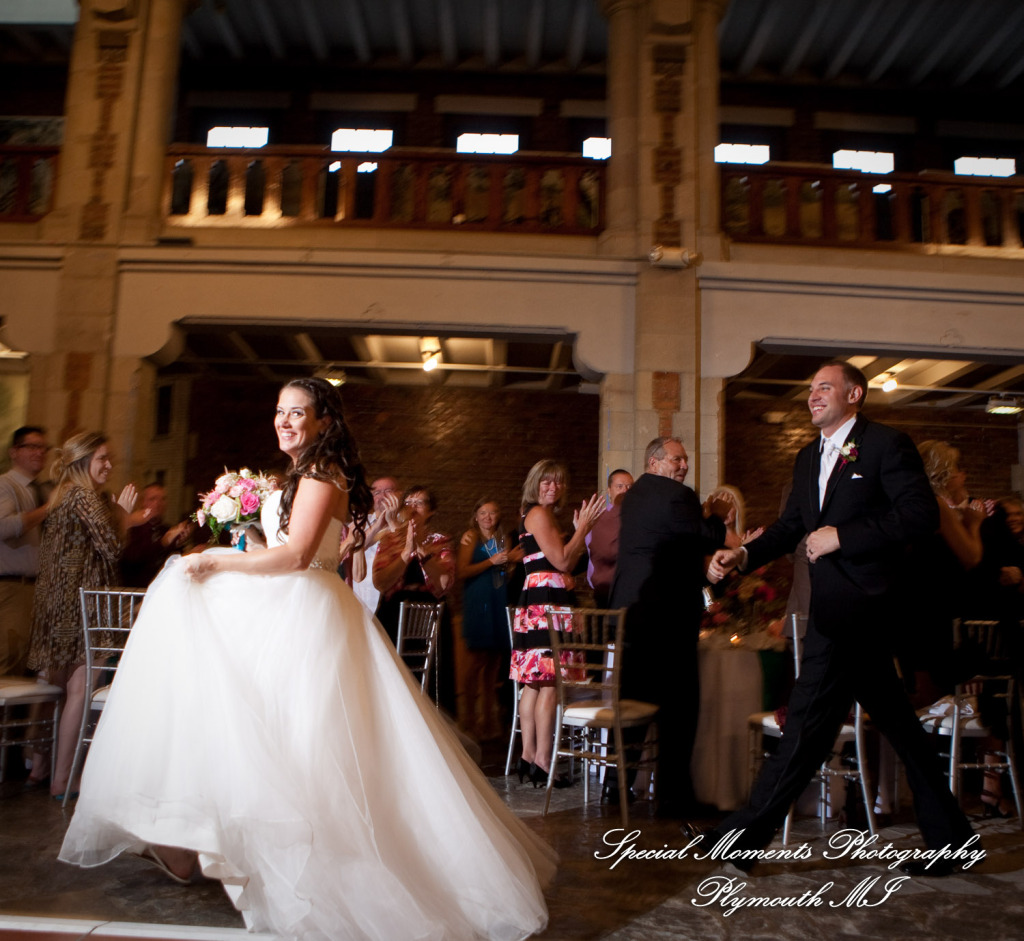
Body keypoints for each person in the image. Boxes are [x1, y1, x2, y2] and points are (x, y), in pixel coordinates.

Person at [59, 377, 555, 939]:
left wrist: (216, 562)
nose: (285, 421)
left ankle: (276, 856)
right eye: (280, 411)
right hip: (286, 605)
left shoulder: (322, 474)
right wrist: (241, 546)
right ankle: (193, 837)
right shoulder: (301, 474)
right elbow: (280, 550)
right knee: (249, 724)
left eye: (298, 413)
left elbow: (297, 555)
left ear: (323, 422)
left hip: (307, 610)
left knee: (298, 741)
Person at [705, 360, 976, 875]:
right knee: (895, 723)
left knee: (805, 722)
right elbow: (789, 528)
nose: (813, 395)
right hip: (835, 608)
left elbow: (918, 516)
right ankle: (954, 839)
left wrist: (843, 536)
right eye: (810, 389)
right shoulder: (808, 457)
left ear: (855, 395)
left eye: (824, 387)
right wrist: (742, 557)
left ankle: (741, 839)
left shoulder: (885, 445)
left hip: (866, 608)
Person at [608, 437, 732, 814]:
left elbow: (672, 547)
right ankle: (674, 797)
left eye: (686, 460)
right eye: (676, 459)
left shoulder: (636, 496)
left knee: (632, 702)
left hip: (631, 613)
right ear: (654, 461)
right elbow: (705, 535)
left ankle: (617, 788)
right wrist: (717, 514)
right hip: (666, 616)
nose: (683, 465)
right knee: (680, 707)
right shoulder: (677, 495)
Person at [26, 432, 138, 798]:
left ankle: (40, 767)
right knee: (79, 690)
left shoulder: (62, 493)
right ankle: (63, 779)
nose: (108, 465)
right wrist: (122, 516)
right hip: (80, 606)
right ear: (81, 461)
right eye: (101, 458)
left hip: (55, 602)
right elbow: (111, 547)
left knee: (57, 687)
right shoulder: (85, 495)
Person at [510, 460, 604, 787]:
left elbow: (569, 561)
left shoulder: (541, 516)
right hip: (545, 602)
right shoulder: (538, 514)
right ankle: (542, 760)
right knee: (549, 683)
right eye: (547, 482)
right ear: (534, 484)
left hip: (541, 599)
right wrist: (584, 528)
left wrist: (581, 532)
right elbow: (563, 560)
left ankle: (529, 757)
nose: (554, 487)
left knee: (534, 683)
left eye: (559, 482)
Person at [372, 484, 457, 711]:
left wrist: (421, 551)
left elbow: (444, 584)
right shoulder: (389, 541)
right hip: (394, 613)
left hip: (428, 617)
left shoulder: (440, 541)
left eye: (419, 503)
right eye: (408, 503)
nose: (412, 508)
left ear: (430, 511)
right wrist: (405, 550)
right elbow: (380, 582)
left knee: (429, 678)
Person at [457, 497, 522, 741]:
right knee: (476, 660)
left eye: (493, 513)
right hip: (478, 602)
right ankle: (469, 719)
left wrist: (510, 563)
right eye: (483, 513)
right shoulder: (470, 537)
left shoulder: (504, 539)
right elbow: (462, 571)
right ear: (476, 516)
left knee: (494, 663)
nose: (488, 517)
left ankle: (489, 719)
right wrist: (491, 561)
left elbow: (504, 571)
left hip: (498, 600)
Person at [0, 426, 50, 677]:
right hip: (12, 587)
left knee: (29, 668)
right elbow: (3, 526)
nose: (39, 452)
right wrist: (47, 509)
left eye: (43, 447)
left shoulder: (40, 489)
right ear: (14, 452)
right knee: (9, 660)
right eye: (32, 446)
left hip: (35, 588)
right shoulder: (5, 485)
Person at [120, 483, 192, 588]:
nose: (158, 504)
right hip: (136, 591)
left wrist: (182, 547)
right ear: (142, 502)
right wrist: (163, 543)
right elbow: (133, 561)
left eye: (162, 499)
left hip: (163, 589)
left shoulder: (166, 529)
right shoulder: (133, 529)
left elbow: (172, 563)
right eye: (152, 499)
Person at [348, 475, 400, 613]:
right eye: (377, 492)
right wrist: (378, 525)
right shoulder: (359, 522)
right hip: (361, 598)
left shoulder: (405, 525)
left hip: (391, 601)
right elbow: (354, 547)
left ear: (399, 495)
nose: (383, 496)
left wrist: (392, 521)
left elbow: (402, 552)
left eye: (388, 491)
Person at [585, 469, 633, 607]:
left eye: (630, 486)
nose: (625, 490)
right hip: (605, 589)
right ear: (609, 491)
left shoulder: (637, 517)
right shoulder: (598, 518)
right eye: (620, 486)